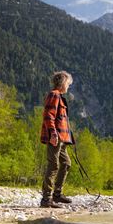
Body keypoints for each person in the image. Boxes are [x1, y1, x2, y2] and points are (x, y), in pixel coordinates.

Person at [40, 71, 74, 208]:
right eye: (68, 84)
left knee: (66, 163)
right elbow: (49, 115)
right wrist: (53, 134)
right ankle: (46, 199)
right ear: (62, 82)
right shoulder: (54, 94)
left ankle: (57, 194)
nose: (68, 86)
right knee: (53, 165)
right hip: (55, 137)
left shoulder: (59, 97)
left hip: (62, 138)